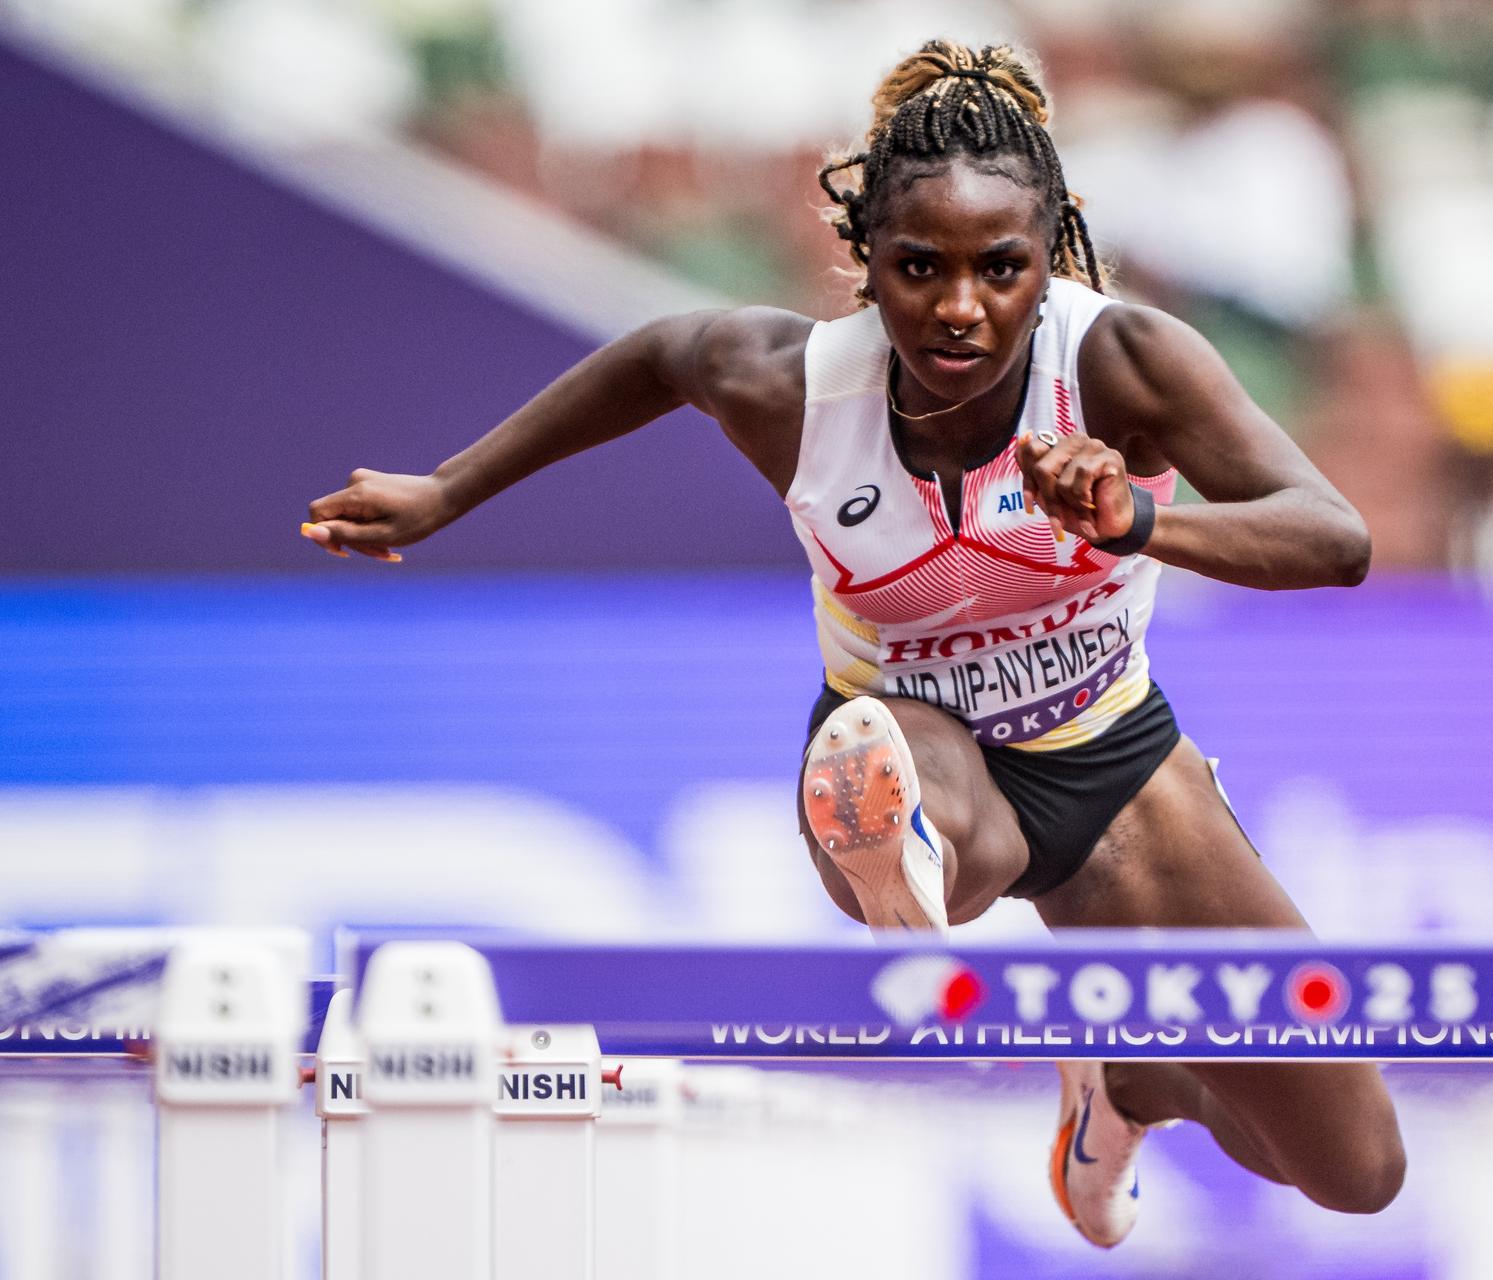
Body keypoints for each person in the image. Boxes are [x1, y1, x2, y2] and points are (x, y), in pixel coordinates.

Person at [302, 39, 1405, 1247]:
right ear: (866, 262)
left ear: (1052, 259)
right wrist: (448, 490)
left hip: (1110, 752)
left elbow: (1332, 536)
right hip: (908, 735)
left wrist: (1137, 514)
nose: (960, 305)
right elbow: (659, 357)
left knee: (1355, 1169)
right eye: (918, 266)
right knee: (912, 826)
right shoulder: (793, 383)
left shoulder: (1123, 361)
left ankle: (1130, 1078)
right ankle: (905, 853)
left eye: (1001, 268)